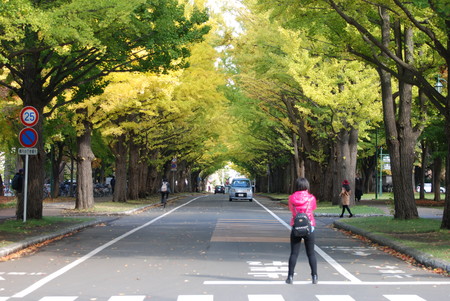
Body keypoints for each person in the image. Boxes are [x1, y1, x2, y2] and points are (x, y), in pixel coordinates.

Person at [286, 177, 318, 285]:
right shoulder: (311, 198)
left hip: (296, 227)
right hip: (309, 227)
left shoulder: (291, 198)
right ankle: (314, 276)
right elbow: (313, 208)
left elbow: (291, 209)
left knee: (294, 253)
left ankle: (290, 276)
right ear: (307, 186)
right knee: (311, 254)